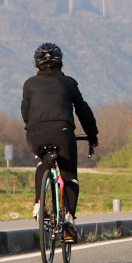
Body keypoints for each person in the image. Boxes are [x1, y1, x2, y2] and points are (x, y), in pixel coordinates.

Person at [21, 43, 99, 243]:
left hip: (35, 131)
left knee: (43, 162)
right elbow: (83, 111)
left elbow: (25, 112)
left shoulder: (29, 84)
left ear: (36, 66)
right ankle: (69, 220)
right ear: (61, 65)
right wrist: (92, 136)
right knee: (69, 176)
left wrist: (33, 127)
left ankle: (39, 203)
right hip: (63, 131)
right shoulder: (69, 83)